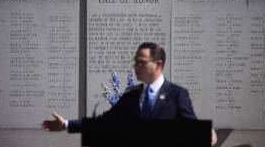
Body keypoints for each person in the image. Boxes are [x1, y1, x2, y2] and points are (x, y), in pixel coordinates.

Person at [43, 42, 217, 145]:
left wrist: (204, 134)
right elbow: (103, 123)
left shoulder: (177, 94)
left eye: (141, 62)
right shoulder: (131, 96)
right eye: (135, 62)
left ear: (158, 64)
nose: (135, 67)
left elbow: (190, 128)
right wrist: (66, 125)